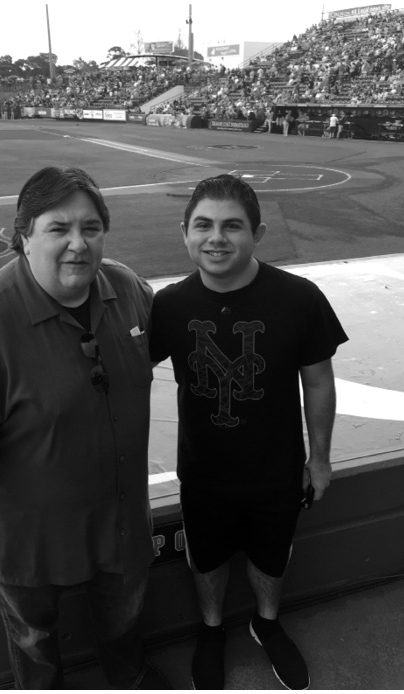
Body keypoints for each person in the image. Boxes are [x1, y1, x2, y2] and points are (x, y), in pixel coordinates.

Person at [0, 166, 170, 690]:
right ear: (24, 235)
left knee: (123, 628)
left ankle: (130, 679)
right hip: (26, 548)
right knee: (35, 648)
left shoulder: (128, 289)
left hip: (120, 528)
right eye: (59, 228)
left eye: (91, 228)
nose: (78, 244)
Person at [149, 174, 348, 690]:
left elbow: (319, 383)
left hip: (277, 468)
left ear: (257, 233)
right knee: (207, 558)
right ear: (185, 233)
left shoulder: (299, 297)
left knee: (271, 555)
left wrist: (320, 459)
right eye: (204, 225)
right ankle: (211, 630)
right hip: (202, 470)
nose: (217, 238)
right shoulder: (168, 306)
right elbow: (124, 379)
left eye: (232, 226)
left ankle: (265, 623)